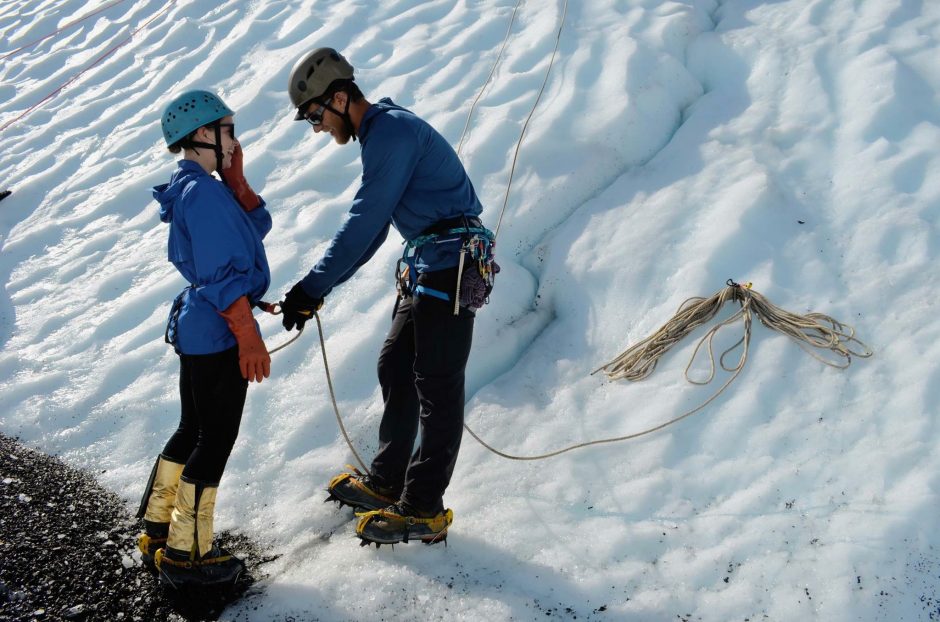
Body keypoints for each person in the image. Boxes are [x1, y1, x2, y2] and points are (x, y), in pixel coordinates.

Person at [281, 48, 498, 546]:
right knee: (395, 366)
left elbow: (365, 220)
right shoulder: (381, 135)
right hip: (431, 262)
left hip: (451, 262)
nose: (316, 128)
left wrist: (312, 286)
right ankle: (387, 481)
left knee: (438, 386)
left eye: (315, 115)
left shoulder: (392, 132)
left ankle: (424, 508)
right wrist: (317, 290)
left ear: (339, 98)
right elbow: (375, 229)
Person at [136, 90, 272, 587]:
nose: (236, 140)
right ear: (201, 135)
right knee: (215, 438)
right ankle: (187, 554)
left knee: (192, 428)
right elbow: (220, 273)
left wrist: (238, 180)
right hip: (218, 330)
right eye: (229, 130)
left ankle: (156, 528)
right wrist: (248, 331)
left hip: (200, 325)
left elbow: (256, 226)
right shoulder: (204, 194)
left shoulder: (199, 187)